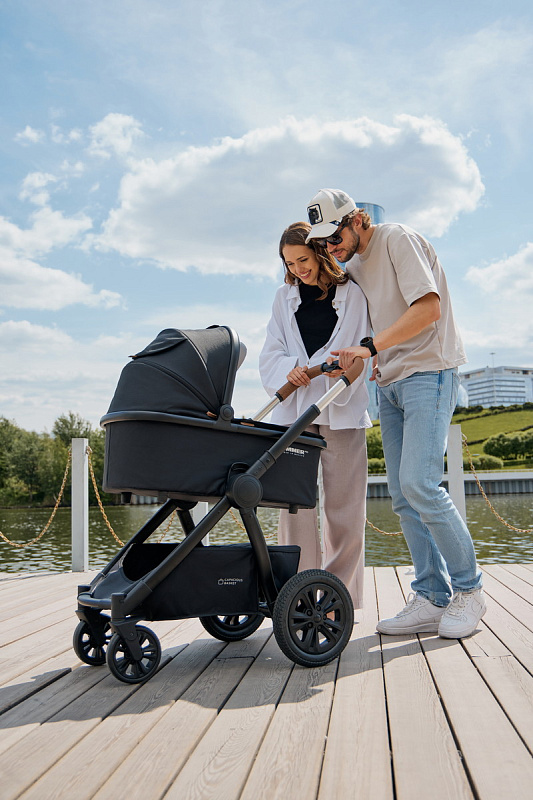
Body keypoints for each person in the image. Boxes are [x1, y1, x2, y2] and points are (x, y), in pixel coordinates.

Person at [304, 188, 486, 638]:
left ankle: (470, 590)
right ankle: (432, 596)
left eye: (335, 237)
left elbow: (428, 308)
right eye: (323, 242)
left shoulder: (396, 239)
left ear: (357, 220)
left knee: (420, 484)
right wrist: (359, 357)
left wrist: (369, 347)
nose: (331, 248)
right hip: (389, 382)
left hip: (429, 371)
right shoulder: (353, 264)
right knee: (403, 496)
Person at [259, 221, 371, 608]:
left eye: (303, 259)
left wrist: (340, 367)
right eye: (289, 263)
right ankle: (299, 595)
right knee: (295, 507)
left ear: (320, 252)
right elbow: (271, 352)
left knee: (345, 508)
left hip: (341, 408)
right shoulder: (283, 298)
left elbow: (358, 346)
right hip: (294, 413)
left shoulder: (352, 293)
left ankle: (338, 599)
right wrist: (291, 368)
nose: (298, 269)